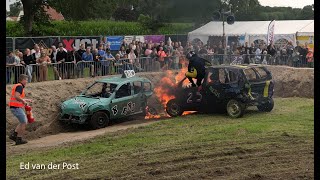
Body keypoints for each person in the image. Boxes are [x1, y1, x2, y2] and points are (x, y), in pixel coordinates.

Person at [9, 74, 32, 145]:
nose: (27, 81)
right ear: (22, 80)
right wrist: (23, 101)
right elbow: (16, 97)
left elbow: (17, 97)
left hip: (14, 107)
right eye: (26, 80)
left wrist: (26, 100)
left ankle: (14, 135)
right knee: (24, 122)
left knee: (22, 121)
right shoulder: (20, 86)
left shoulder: (18, 86)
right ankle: (19, 139)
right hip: (16, 107)